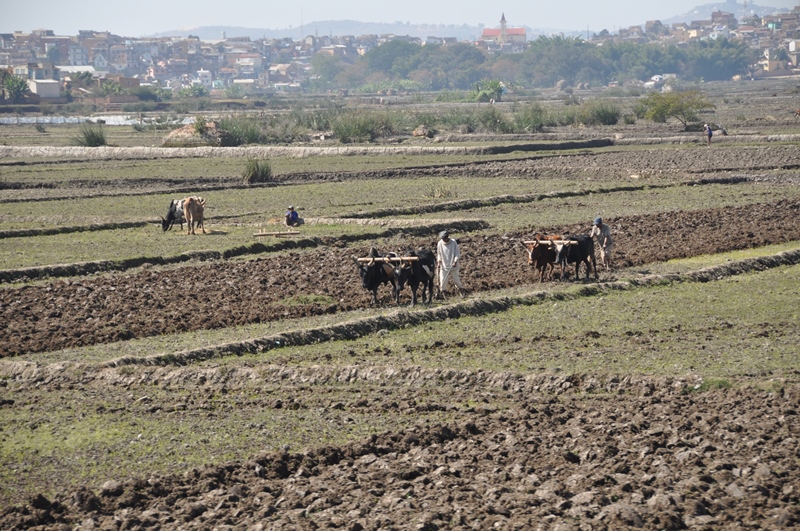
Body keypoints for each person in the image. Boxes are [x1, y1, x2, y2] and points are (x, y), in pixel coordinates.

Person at [436, 230, 465, 298]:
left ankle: (462, 292)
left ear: (447, 237)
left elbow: (457, 253)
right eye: (442, 239)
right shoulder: (440, 243)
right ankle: (444, 295)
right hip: (444, 266)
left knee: (456, 281)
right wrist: (439, 261)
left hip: (453, 265)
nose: (444, 240)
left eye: (445, 238)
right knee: (442, 281)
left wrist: (455, 261)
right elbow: (439, 254)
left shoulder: (453, 242)